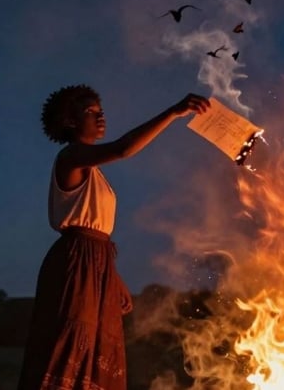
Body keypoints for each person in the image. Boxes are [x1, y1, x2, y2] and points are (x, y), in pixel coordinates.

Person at [17, 84, 210, 390]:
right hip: (76, 261)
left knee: (96, 346)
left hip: (97, 260)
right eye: (91, 112)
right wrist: (174, 112)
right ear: (70, 121)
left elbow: (100, 229)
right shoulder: (70, 158)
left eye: (101, 111)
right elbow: (123, 149)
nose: (101, 117)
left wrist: (112, 275)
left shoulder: (94, 174)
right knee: (73, 342)